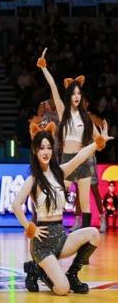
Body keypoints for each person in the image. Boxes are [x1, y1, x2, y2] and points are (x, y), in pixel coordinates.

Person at [12, 121, 112, 295]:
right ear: (35, 151)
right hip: (42, 245)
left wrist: (98, 143)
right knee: (62, 289)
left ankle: (72, 274)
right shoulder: (33, 179)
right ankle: (37, 270)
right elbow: (15, 205)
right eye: (41, 148)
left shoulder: (60, 172)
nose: (45, 152)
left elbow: (80, 157)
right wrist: (30, 228)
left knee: (94, 234)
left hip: (61, 238)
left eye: (49, 148)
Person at [37, 48, 100, 232]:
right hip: (67, 160)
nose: (76, 97)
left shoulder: (87, 118)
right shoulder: (63, 112)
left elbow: (98, 139)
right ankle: (53, 231)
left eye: (79, 94)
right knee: (58, 196)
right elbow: (53, 87)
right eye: (73, 94)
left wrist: (101, 140)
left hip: (83, 160)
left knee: (85, 203)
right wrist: (44, 68)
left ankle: (85, 239)